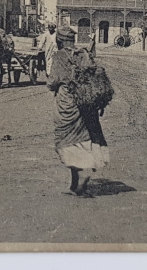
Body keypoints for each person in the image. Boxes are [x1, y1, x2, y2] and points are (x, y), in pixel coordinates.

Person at [48, 25, 110, 197]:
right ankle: (76, 184)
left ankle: (79, 184)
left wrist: (52, 85)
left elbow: (53, 80)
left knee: (68, 143)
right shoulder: (83, 54)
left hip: (67, 103)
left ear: (59, 41)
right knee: (83, 139)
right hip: (84, 103)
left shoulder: (59, 56)